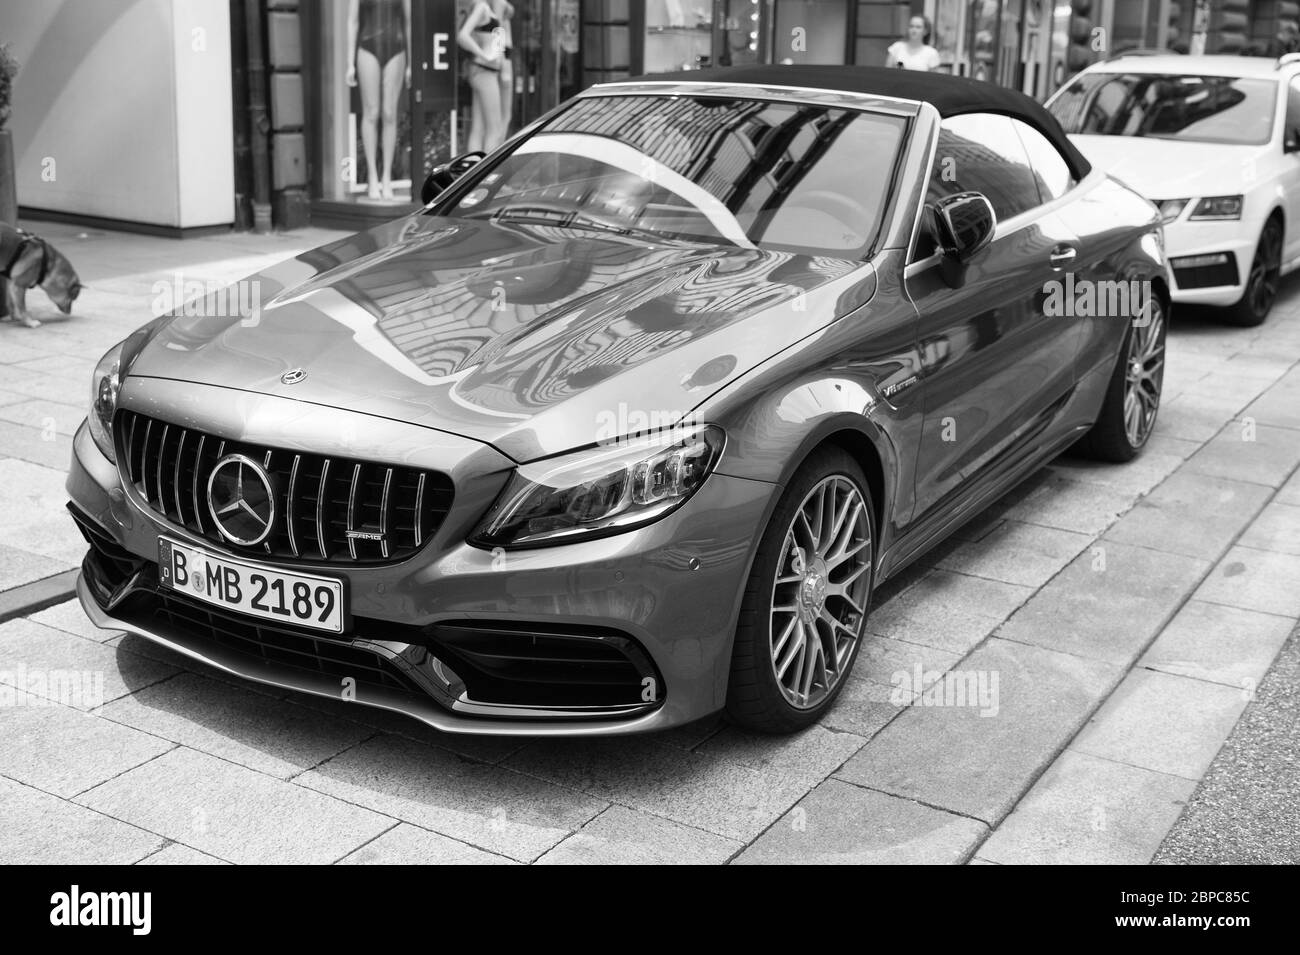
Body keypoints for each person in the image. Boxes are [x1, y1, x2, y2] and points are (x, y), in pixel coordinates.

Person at [347, 0, 411, 200]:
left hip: (397, 47)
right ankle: (373, 176)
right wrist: (349, 63)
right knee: (371, 112)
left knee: (390, 113)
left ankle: (386, 177)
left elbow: (409, 22)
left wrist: (411, 63)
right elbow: (353, 21)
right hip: (367, 46)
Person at [459, 0, 515, 153]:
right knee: (494, 130)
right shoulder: (482, 7)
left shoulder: (482, 7)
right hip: (485, 72)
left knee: (478, 128)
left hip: (481, 71)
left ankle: (472, 174)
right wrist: (483, 54)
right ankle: (486, 174)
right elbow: (462, 36)